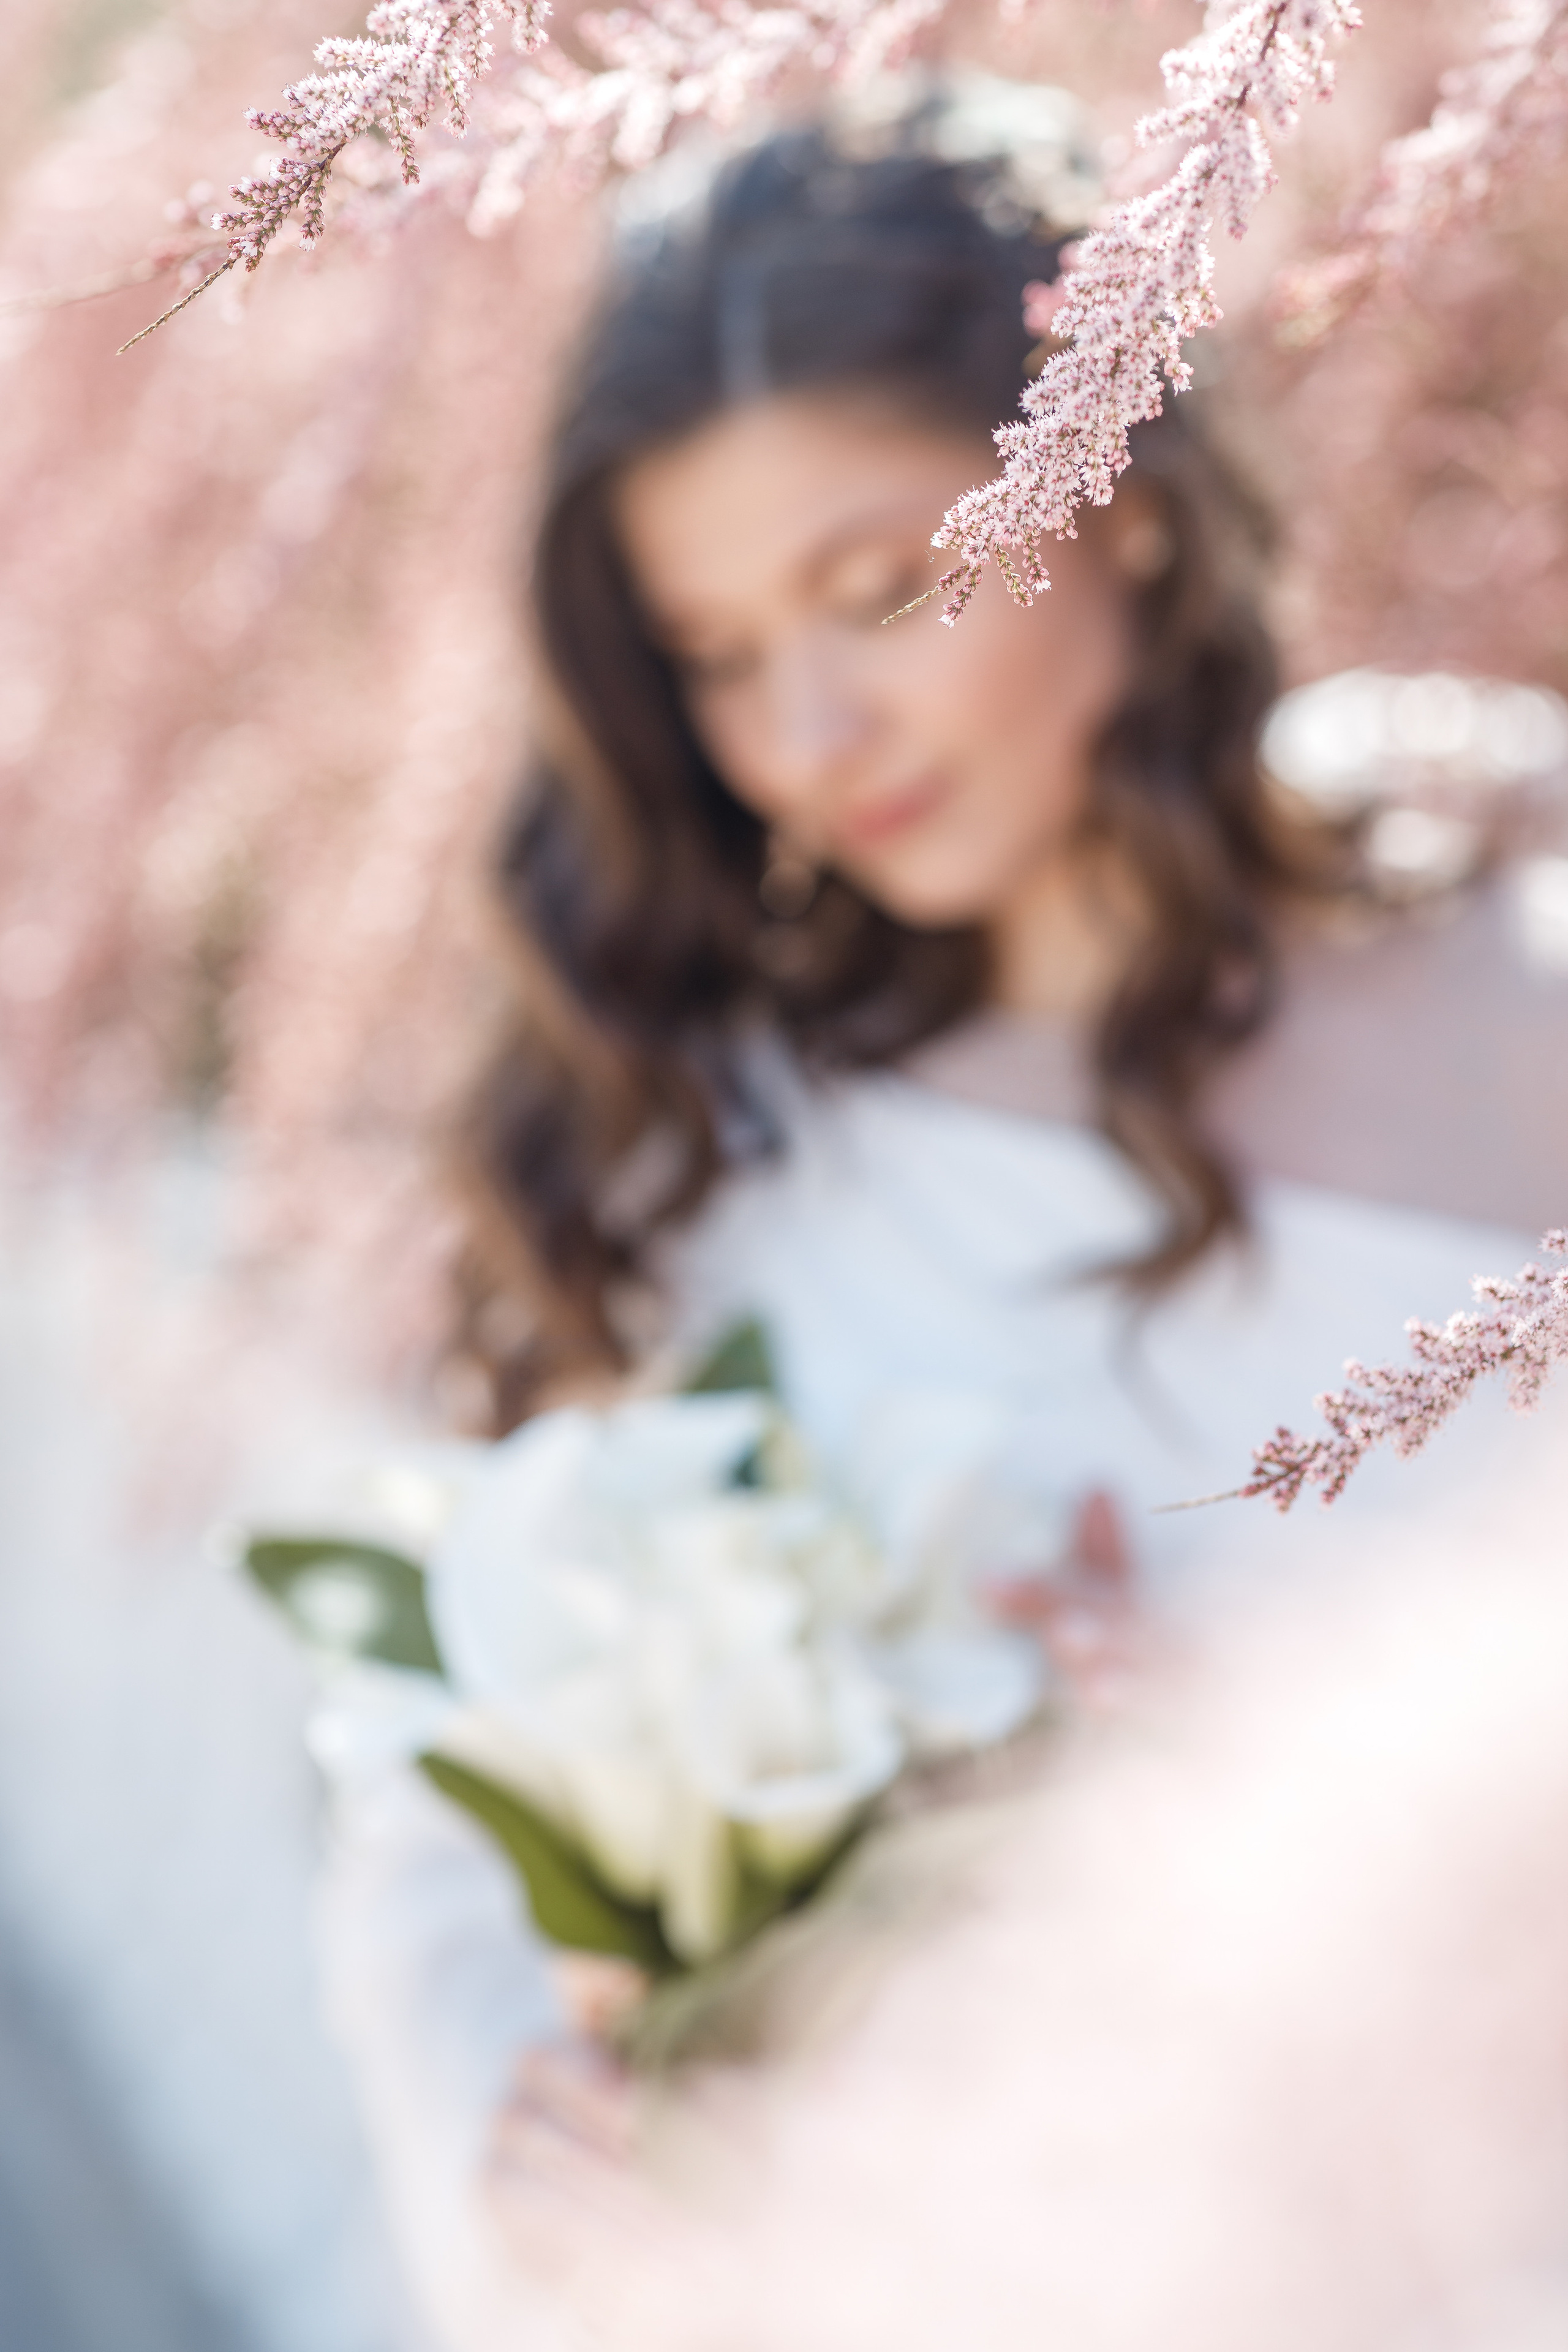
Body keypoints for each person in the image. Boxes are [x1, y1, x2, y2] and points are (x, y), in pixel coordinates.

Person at [320, 81, 1568, 2348]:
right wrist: (571, 2142)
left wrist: (1283, 1809)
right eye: (710, 651)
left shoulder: (1520, 979)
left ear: (1136, 506)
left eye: (880, 589)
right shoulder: (732, 1170)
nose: (802, 733)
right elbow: (452, 1853)